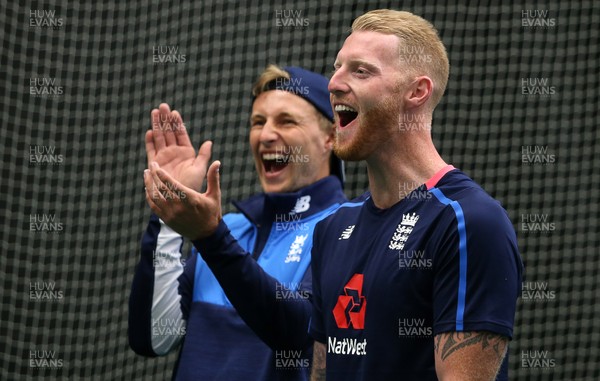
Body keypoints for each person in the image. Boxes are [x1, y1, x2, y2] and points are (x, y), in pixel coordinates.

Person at [307, 9, 523, 381]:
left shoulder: (468, 221)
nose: (334, 83)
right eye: (337, 67)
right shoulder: (333, 227)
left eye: (361, 71)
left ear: (417, 91)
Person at [129, 65, 347, 380]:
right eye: (258, 122)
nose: (266, 135)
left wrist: (212, 238)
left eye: (286, 121)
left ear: (330, 136)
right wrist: (169, 214)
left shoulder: (346, 228)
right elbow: (151, 339)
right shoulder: (227, 227)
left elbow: (301, 336)